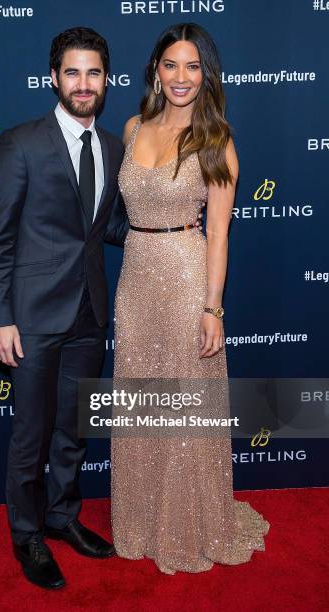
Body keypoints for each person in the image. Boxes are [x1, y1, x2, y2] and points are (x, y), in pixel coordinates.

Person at [111, 23, 270, 574]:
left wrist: (211, 308)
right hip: (134, 277)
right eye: (172, 65)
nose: (181, 77)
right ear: (156, 70)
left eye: (193, 67)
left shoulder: (217, 139)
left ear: (207, 75)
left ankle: (189, 525)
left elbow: (220, 232)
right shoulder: (133, 127)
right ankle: (140, 521)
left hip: (184, 276)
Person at [0, 27, 131, 590]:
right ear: (54, 78)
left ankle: (64, 517)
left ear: (106, 81)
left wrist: (166, 228)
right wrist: (0, 317)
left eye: (94, 73)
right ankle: (27, 535)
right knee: (31, 434)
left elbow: (105, 227)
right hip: (33, 317)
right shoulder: (22, 143)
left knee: (72, 429)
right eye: (72, 72)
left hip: (90, 312)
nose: (83, 84)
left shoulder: (114, 147)